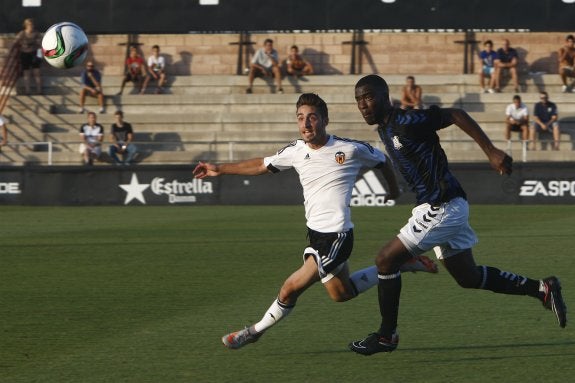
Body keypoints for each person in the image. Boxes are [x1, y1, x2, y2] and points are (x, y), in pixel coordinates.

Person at [192, 93, 439, 350]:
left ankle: (254, 331)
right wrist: (219, 168)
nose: (306, 124)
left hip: (338, 238)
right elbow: (261, 165)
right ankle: (405, 264)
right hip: (316, 236)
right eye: (301, 118)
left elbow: (383, 160)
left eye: (312, 117)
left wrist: (394, 190)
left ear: (325, 120)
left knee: (289, 288)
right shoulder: (296, 151)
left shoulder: (349, 148)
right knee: (341, 294)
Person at [348, 74, 567, 356]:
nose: (363, 105)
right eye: (358, 100)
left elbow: (455, 114)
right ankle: (542, 289)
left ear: (384, 95)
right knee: (468, 277)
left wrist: (491, 151)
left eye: (368, 97)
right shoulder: (385, 128)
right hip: (444, 205)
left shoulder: (405, 121)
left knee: (386, 260)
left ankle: (386, 335)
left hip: (443, 206)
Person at [14, 18, 42, 95]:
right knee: (26, 73)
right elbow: (15, 42)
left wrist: (40, 57)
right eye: (29, 25)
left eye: (32, 24)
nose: (31, 26)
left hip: (35, 53)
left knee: (37, 72)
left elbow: (41, 45)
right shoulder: (22, 33)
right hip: (25, 54)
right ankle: (27, 90)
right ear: (26, 25)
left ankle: (39, 90)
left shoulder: (37, 34)